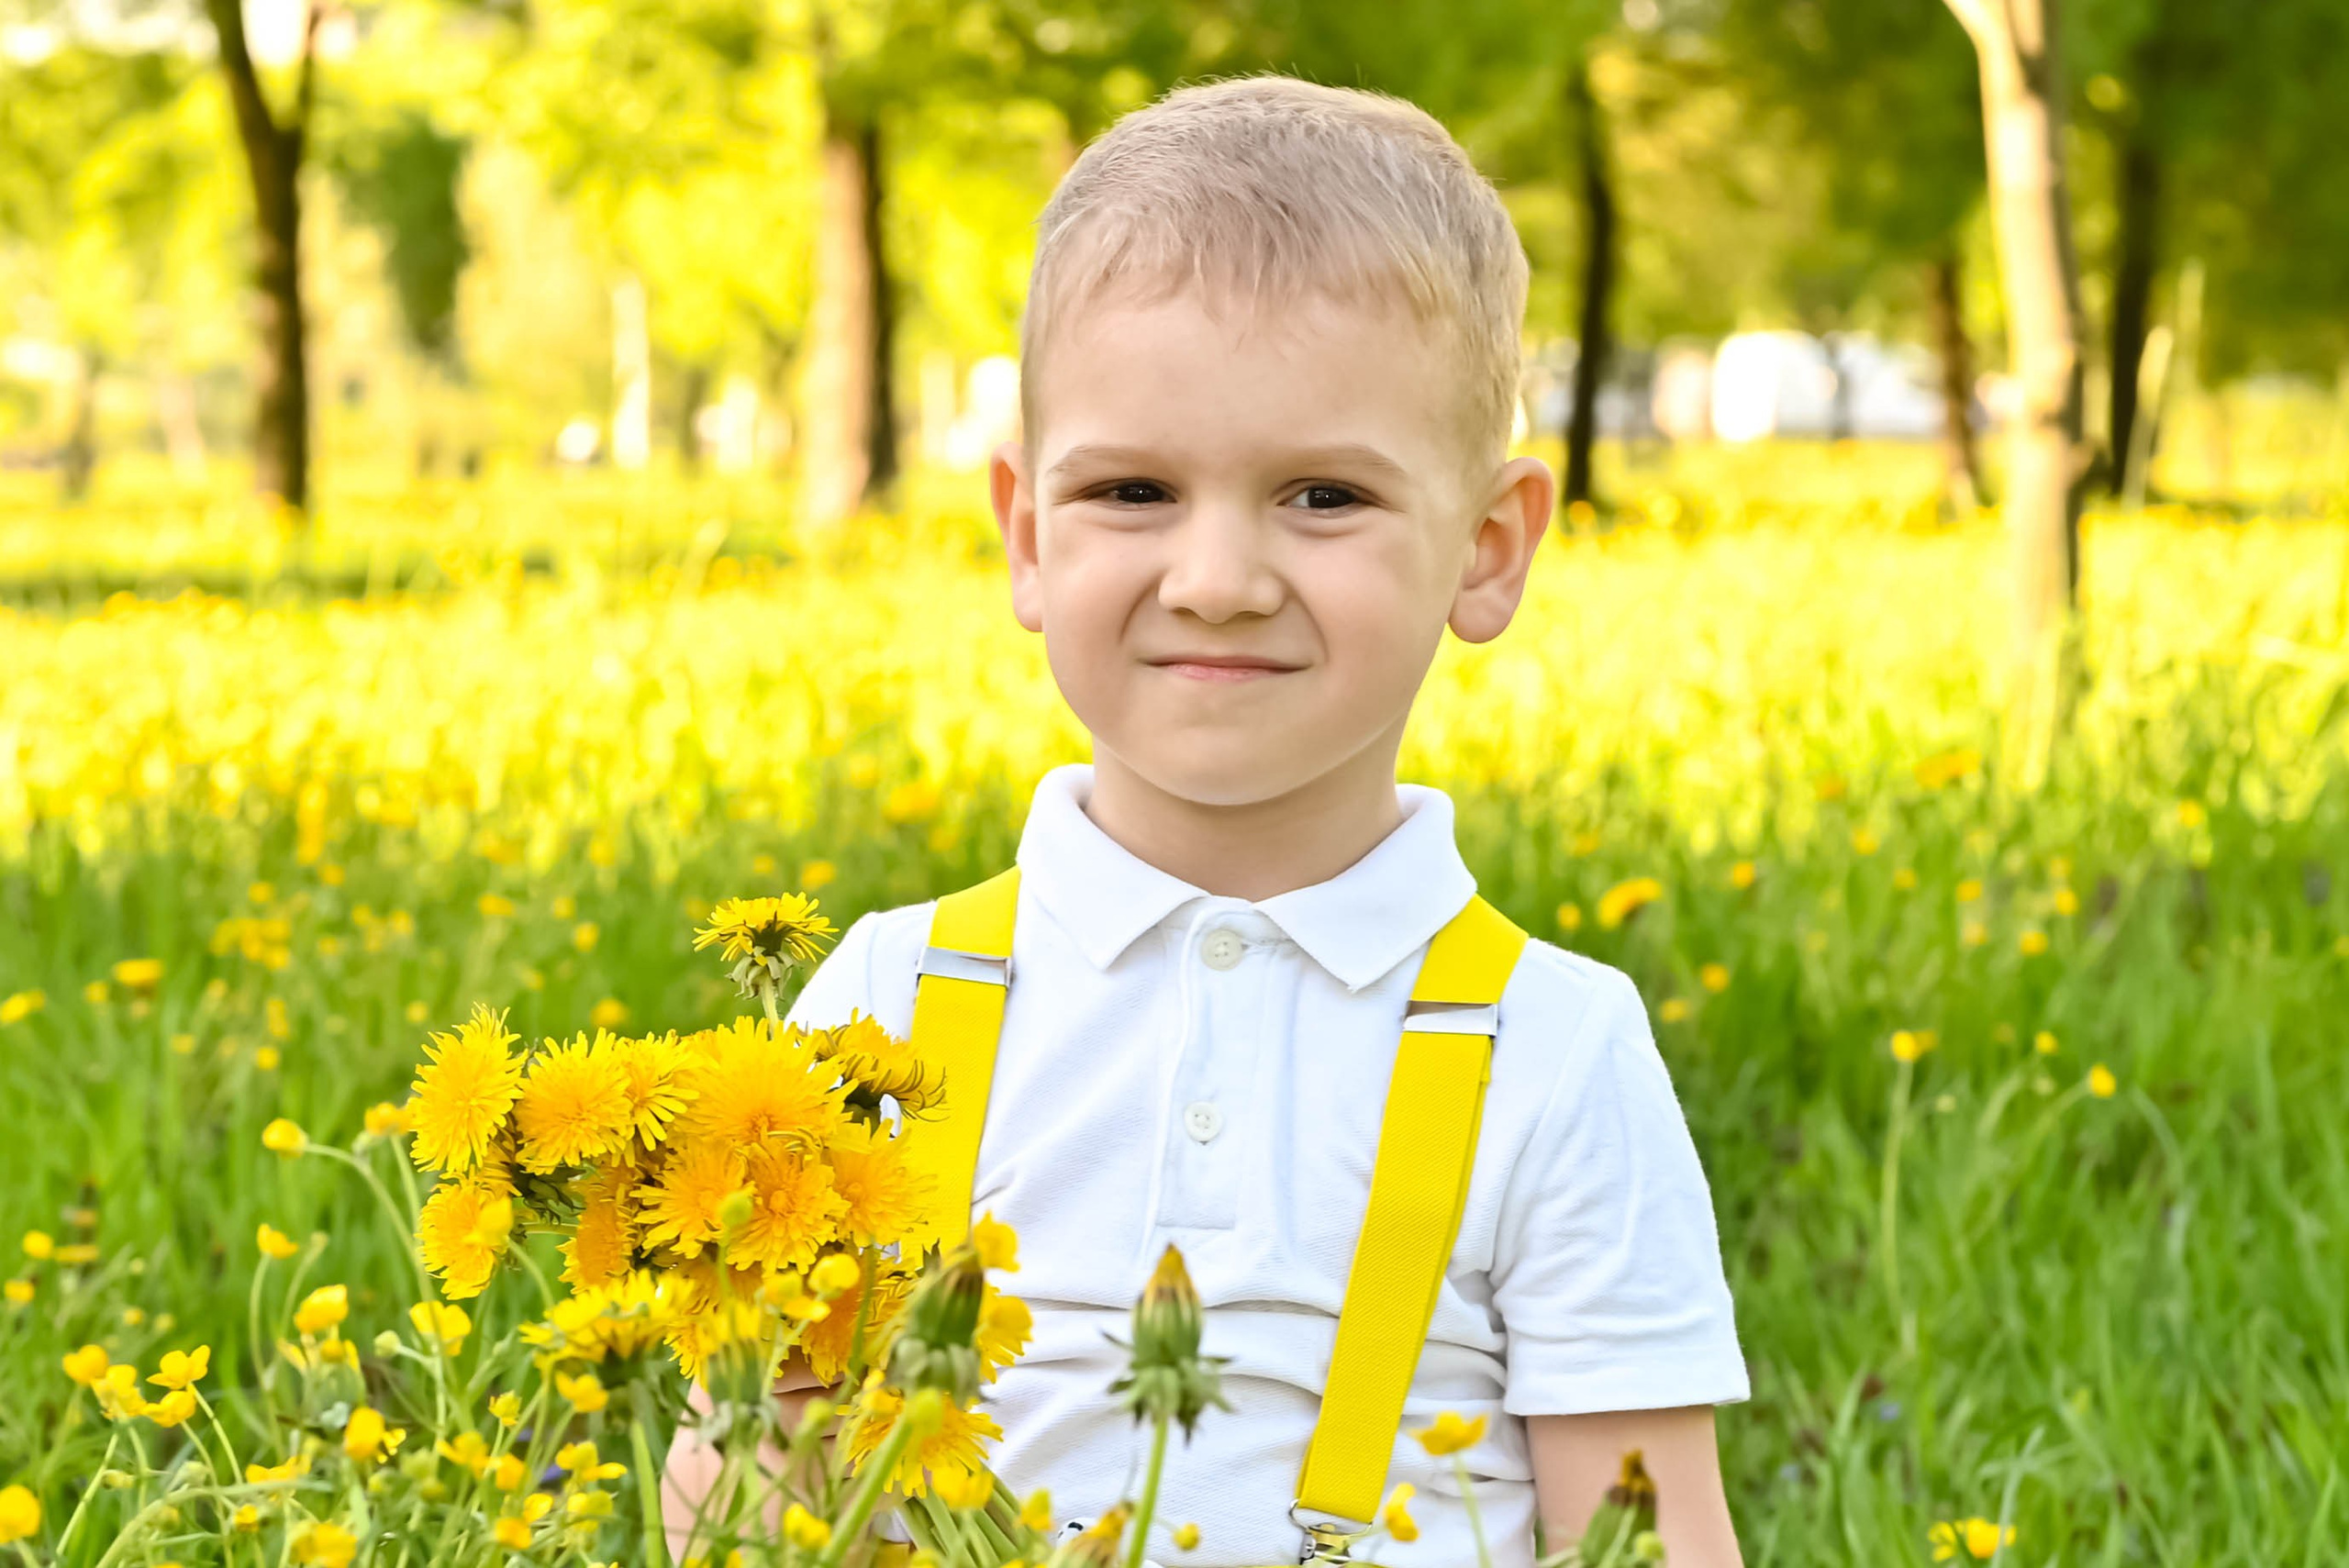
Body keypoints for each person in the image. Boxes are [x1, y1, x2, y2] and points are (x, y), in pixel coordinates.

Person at [669, 74, 1747, 1567]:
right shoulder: (883, 1005)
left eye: (1321, 494)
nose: (1220, 575)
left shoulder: (1556, 1052)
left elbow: (1653, 1537)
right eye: (1134, 489)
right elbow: (756, 1493)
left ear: (1488, 550)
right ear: (1029, 539)